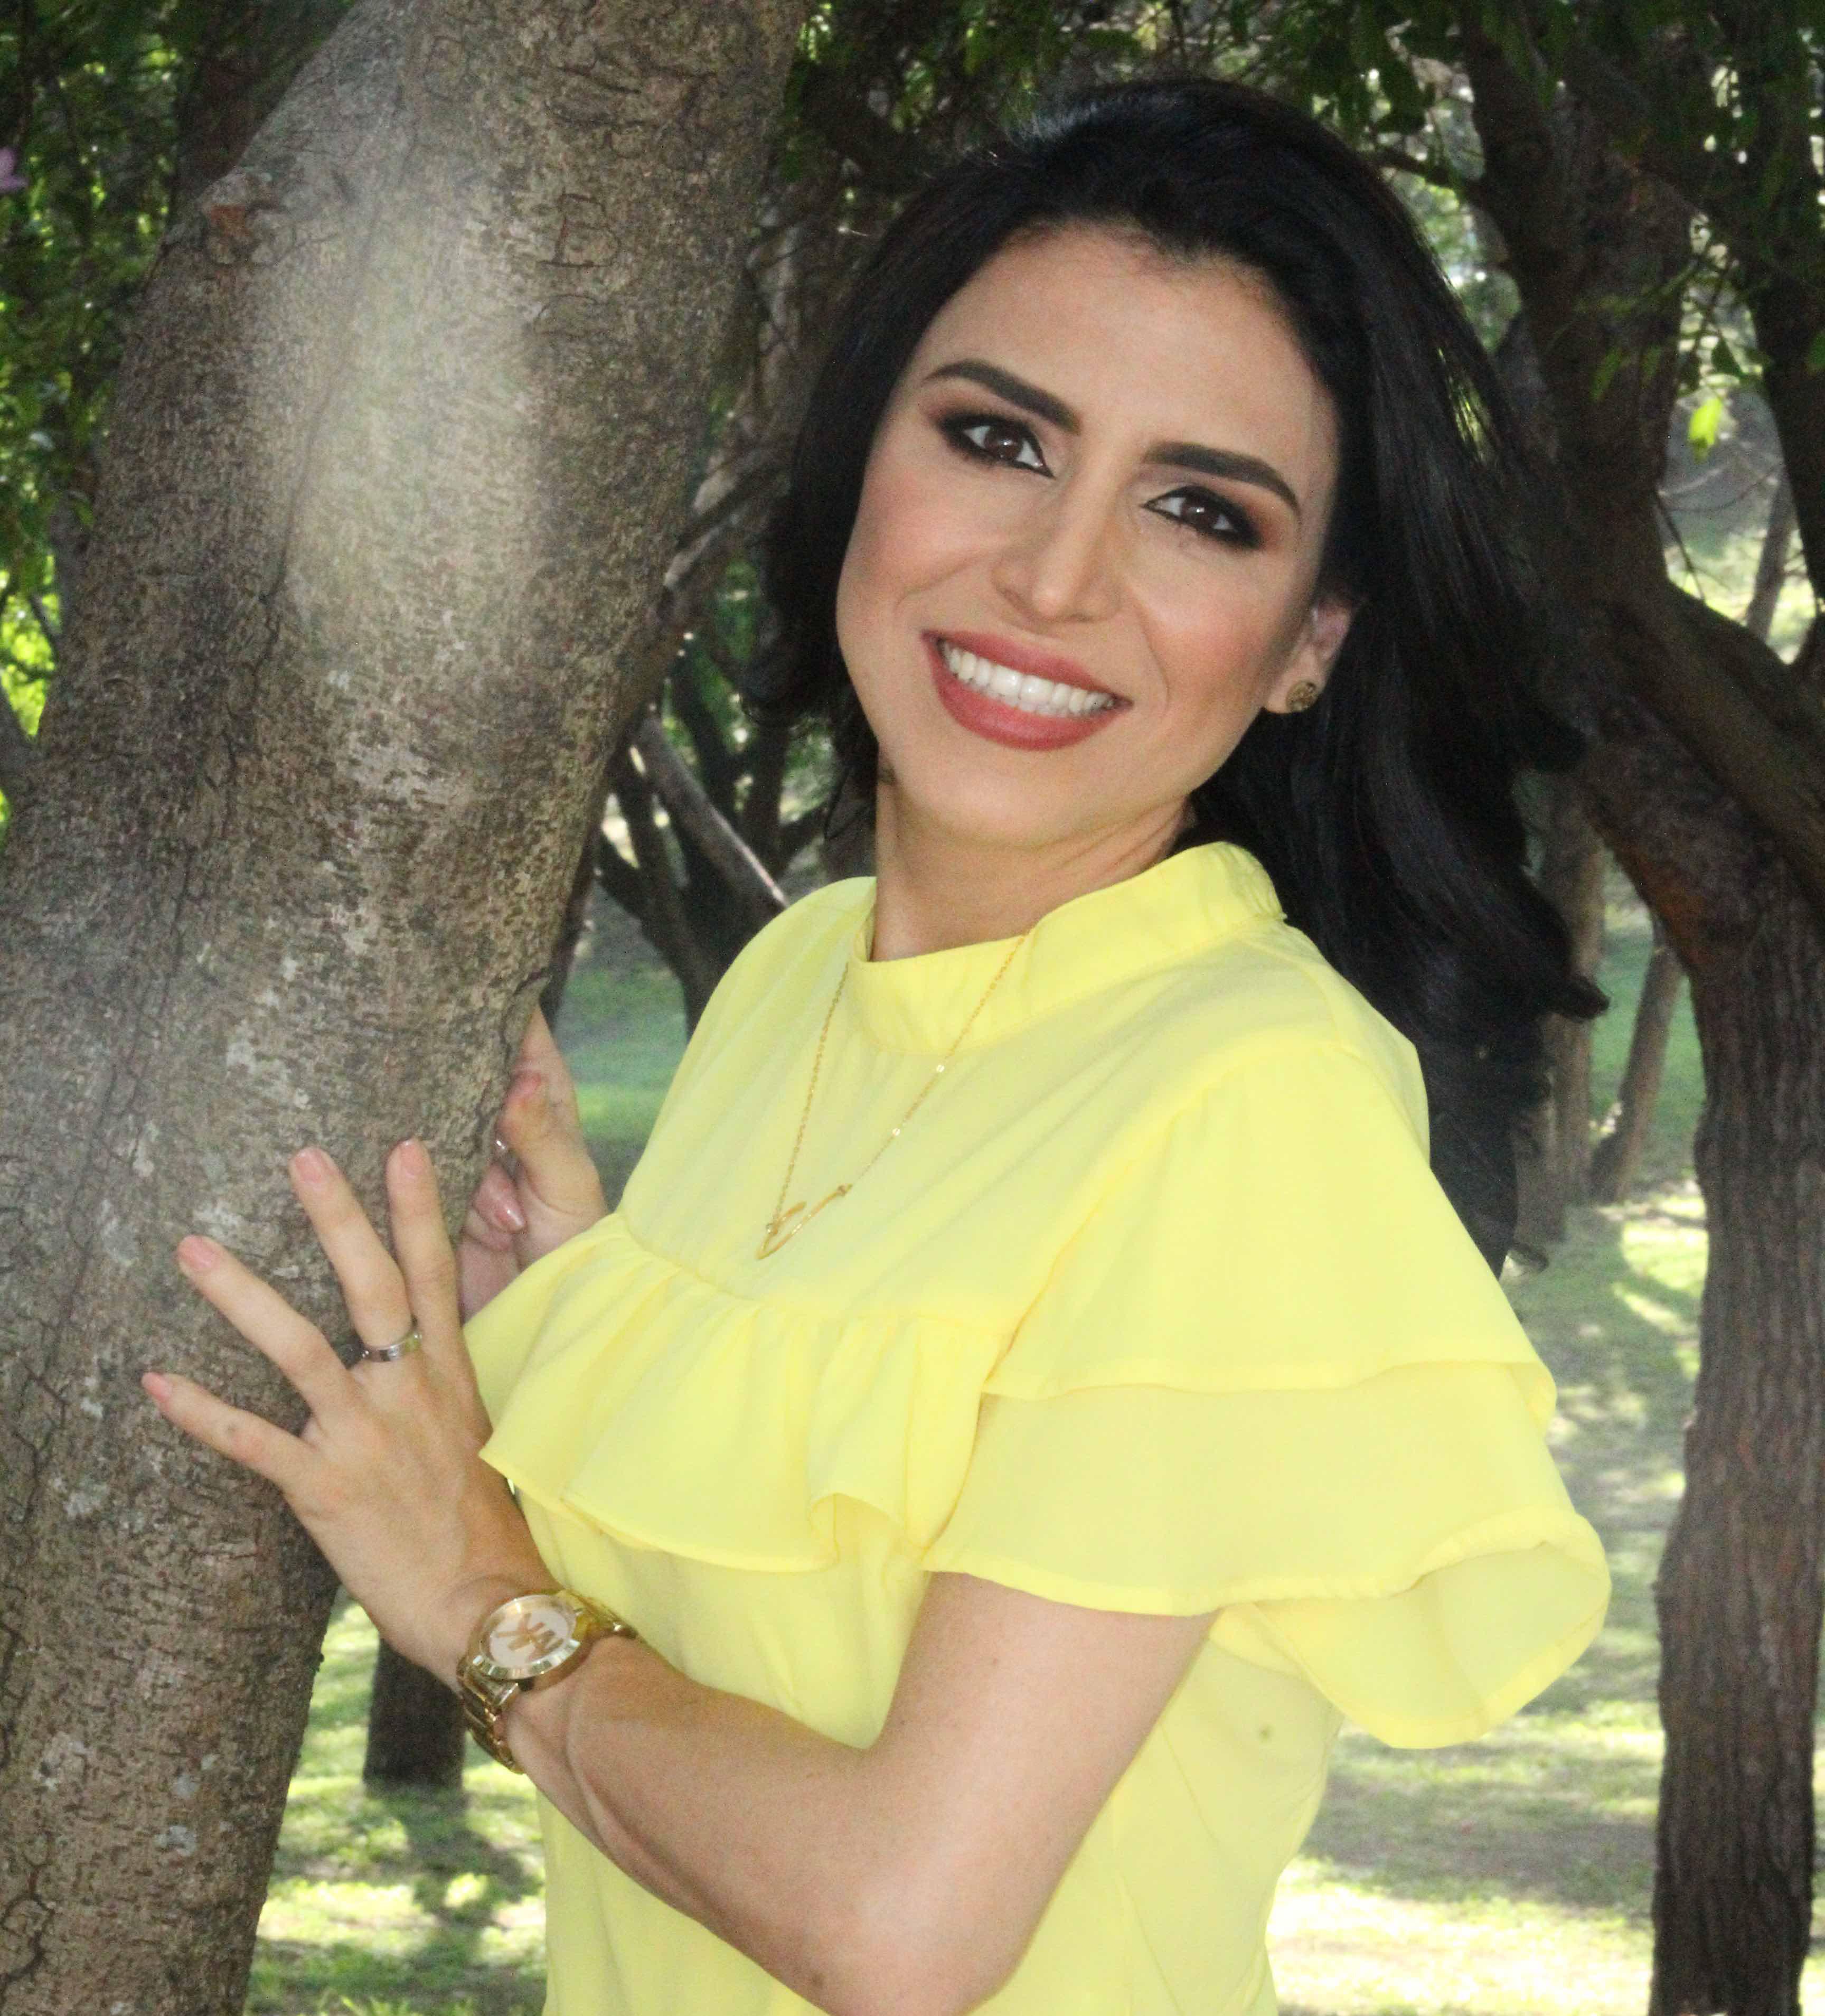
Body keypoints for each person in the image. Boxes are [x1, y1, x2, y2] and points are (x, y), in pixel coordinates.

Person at [145, 77, 1610, 2016]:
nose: (1057, 576)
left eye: (1200, 509)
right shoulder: (797, 981)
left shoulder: (1246, 1091)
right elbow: (792, 1559)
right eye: (1000, 439)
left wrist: (480, 1599)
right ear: (860, 463)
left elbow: (903, 1923)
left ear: (1310, 640)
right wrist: (577, 1309)